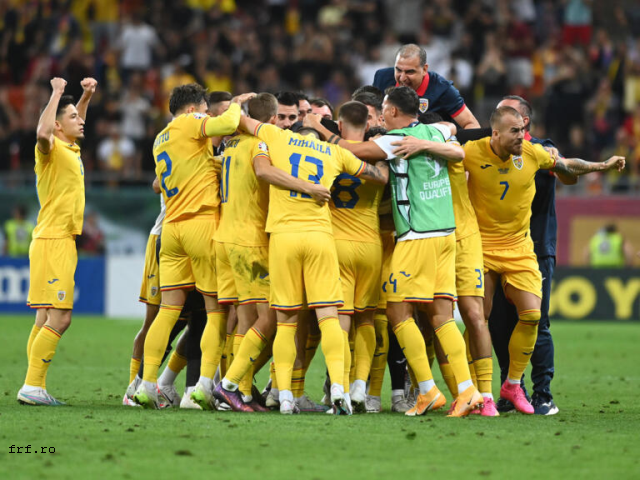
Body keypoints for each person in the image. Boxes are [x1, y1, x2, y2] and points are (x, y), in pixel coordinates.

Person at [306, 86, 483, 418]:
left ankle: (429, 390)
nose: (381, 114)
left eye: (385, 109)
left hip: (418, 236)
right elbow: (454, 132)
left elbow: (350, 148)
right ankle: (467, 390)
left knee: (398, 313)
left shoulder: (395, 140)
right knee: (442, 317)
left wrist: (321, 129)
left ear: (395, 113)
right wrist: (429, 143)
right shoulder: (435, 129)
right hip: (446, 234)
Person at [464, 106, 624, 414]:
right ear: (495, 133)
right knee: (478, 320)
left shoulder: (533, 153)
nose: (521, 137)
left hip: (519, 248)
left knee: (533, 315)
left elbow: (567, 166)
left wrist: (602, 165)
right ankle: (479, 393)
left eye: (523, 131)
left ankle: (512, 385)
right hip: (480, 248)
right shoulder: (470, 151)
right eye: (514, 132)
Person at [238, 106, 389, 415]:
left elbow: (238, 120)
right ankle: (345, 389)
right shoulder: (337, 153)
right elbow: (381, 177)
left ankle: (283, 396)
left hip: (288, 238)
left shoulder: (278, 139)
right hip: (339, 241)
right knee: (340, 318)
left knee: (287, 321)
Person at [133, 84, 255, 409]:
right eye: (204, 110)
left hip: (171, 230)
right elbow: (227, 125)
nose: (206, 116)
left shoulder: (160, 139)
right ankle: (202, 386)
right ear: (192, 110)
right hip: (201, 223)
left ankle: (146, 385)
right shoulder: (189, 123)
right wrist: (237, 105)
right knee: (216, 310)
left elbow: (187, 171)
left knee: (168, 311)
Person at [212, 92, 331, 412]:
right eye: (281, 118)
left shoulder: (231, 143)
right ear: (271, 119)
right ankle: (229, 386)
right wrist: (308, 187)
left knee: (245, 318)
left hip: (227, 236)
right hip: (250, 240)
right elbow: (265, 172)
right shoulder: (259, 143)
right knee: (272, 318)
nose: (284, 124)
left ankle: (244, 392)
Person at [489, 95, 578, 416]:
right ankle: (512, 388)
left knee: (536, 321)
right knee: (498, 324)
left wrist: (570, 164)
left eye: (509, 112)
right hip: (497, 249)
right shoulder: (491, 148)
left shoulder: (542, 149)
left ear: (523, 121)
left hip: (537, 247)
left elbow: (569, 173)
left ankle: (543, 393)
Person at [17, 76, 98, 406]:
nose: (81, 121)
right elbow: (43, 131)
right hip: (54, 239)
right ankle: (32, 385)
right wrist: (57, 93)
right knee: (61, 318)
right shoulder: (48, 149)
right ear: (58, 125)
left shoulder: (68, 145)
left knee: (43, 318)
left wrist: (86, 97)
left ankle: (34, 385)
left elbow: (70, 121)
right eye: (73, 118)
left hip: (55, 238)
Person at [328, 101, 384, 412]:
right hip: (371, 246)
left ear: (339, 125)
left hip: (337, 245)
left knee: (341, 320)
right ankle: (361, 387)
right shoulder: (379, 153)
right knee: (367, 319)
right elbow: (385, 178)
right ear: (368, 123)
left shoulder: (329, 151)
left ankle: (342, 387)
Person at [373, 44, 480, 128]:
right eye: (398, 70)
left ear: (424, 69)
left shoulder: (442, 89)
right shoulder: (382, 78)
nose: (402, 78)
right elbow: (371, 115)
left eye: (410, 72)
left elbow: (472, 125)